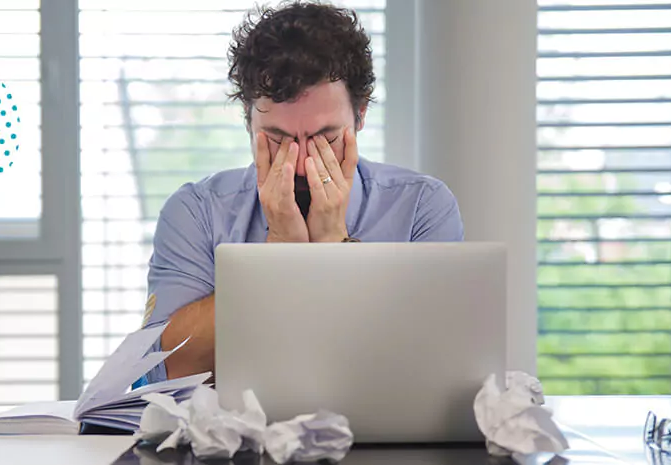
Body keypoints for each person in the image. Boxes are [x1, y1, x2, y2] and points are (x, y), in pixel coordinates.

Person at [138, 1, 464, 385]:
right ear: (249, 120)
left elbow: (433, 367)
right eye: (277, 138)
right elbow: (163, 369)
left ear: (359, 115)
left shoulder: (421, 207)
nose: (301, 161)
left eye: (325, 138)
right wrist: (278, 257)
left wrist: (332, 246)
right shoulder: (196, 211)